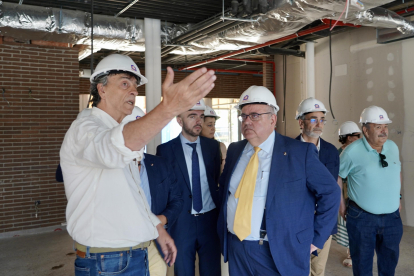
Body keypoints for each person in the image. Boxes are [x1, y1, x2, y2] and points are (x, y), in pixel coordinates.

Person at [60, 54, 216, 275]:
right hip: (108, 261)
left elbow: (133, 197)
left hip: (129, 254)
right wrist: (169, 108)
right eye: (125, 83)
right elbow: (113, 146)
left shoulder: (115, 134)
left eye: (135, 85)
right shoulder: (85, 128)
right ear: (101, 89)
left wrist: (156, 228)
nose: (133, 91)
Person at [217, 85, 340, 276]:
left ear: (272, 119)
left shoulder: (299, 152)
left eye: (255, 115)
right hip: (237, 248)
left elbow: (330, 193)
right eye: (244, 116)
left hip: (277, 251)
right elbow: (225, 192)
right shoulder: (235, 150)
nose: (247, 121)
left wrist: (316, 238)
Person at [156, 99, 222, 276]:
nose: (198, 121)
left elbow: (214, 179)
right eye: (192, 116)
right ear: (179, 120)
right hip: (182, 222)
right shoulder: (165, 150)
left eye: (200, 116)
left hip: (210, 220)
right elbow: (166, 191)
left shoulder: (213, 147)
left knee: (212, 271)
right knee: (183, 271)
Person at [338, 106, 402, 276]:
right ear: (365, 130)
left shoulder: (393, 147)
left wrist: (399, 198)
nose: (384, 131)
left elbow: (397, 172)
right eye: (378, 126)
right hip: (362, 218)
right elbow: (337, 177)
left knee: (389, 262)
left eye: (385, 126)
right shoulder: (351, 152)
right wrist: (341, 206)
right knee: (362, 263)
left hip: (392, 218)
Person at [294, 97, 340, 276]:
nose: (318, 124)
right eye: (313, 119)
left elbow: (332, 188)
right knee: (295, 268)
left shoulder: (330, 151)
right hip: (297, 222)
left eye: (322, 119)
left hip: (323, 223)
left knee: (318, 270)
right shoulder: (289, 149)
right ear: (301, 122)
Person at [332, 121, 361, 268]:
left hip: (358, 195)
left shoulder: (359, 152)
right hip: (346, 196)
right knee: (349, 226)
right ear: (349, 137)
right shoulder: (339, 154)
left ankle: (355, 254)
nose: (360, 138)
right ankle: (352, 254)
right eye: (357, 135)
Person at [200, 105, 227, 173]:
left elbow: (223, 175)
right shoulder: (191, 146)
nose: (213, 128)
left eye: (214, 124)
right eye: (209, 125)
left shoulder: (220, 147)